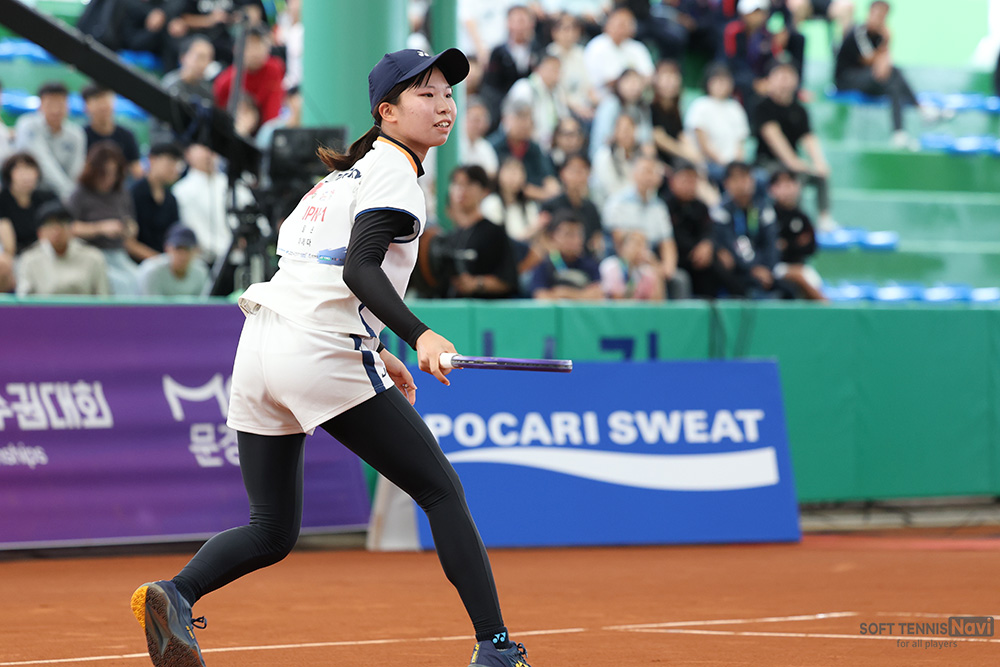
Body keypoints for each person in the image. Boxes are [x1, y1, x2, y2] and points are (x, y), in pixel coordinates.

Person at [129, 47, 535, 667]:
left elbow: (322, 272)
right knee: (441, 491)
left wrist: (378, 346)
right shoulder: (395, 172)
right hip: (319, 347)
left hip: (261, 344)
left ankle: (176, 593)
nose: (445, 105)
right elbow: (358, 270)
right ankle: (497, 647)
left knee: (271, 528)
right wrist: (419, 335)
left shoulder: (343, 177)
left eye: (448, 93)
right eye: (426, 93)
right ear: (387, 111)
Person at [834, 0, 933, 148]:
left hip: (867, 79)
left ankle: (900, 132)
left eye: (882, 16)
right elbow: (872, 64)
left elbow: (884, 68)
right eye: (876, 14)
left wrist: (885, 44)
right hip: (846, 80)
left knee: (894, 82)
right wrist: (887, 42)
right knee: (893, 76)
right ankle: (920, 110)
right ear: (869, 13)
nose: (878, 19)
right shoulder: (858, 32)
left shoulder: (879, 36)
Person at [754, 61, 836, 231]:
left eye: (788, 76)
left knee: (820, 174)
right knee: (791, 178)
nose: (784, 81)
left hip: (792, 163)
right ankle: (786, 222)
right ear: (770, 79)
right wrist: (794, 162)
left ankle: (824, 218)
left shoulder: (799, 110)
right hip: (767, 163)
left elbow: (809, 138)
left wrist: (819, 162)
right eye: (780, 76)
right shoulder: (763, 107)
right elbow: (774, 137)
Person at [602, 154, 690, 299]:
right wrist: (647, 262)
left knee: (679, 278)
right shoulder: (618, 203)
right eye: (645, 171)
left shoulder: (659, 206)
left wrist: (667, 268)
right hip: (624, 260)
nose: (649, 177)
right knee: (648, 274)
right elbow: (620, 243)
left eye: (653, 172)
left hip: (650, 261)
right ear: (634, 173)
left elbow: (667, 243)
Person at [65, 141, 140, 296]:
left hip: (118, 253)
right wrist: (100, 228)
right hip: (90, 255)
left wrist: (128, 228)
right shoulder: (80, 194)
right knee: (121, 284)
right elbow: (68, 227)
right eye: (104, 173)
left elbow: (130, 223)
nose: (109, 179)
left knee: (140, 279)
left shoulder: (121, 193)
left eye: (114, 173)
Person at [711, 161, 791, 299]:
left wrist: (767, 268)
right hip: (740, 272)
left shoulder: (763, 209)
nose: (742, 184)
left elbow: (771, 242)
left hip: (766, 269)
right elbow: (732, 243)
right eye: (736, 179)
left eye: (746, 178)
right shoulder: (721, 212)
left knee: (790, 288)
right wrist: (753, 268)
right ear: (726, 183)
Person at [439, 165, 519, 298]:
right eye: (456, 184)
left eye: (468, 184)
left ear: (484, 191)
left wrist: (477, 283)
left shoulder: (494, 233)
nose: (461, 190)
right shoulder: (451, 236)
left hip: (486, 308)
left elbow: (509, 280)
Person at [666, 161, 739, 298]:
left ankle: (739, 299)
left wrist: (708, 244)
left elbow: (709, 230)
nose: (690, 185)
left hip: (703, 258)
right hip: (679, 258)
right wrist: (697, 249)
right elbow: (671, 236)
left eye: (693, 181)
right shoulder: (665, 206)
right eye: (685, 180)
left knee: (724, 263)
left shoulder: (700, 206)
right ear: (673, 181)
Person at [723, 0, 805, 112]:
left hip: (762, 78)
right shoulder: (733, 32)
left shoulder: (768, 34)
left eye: (760, 12)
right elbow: (732, 63)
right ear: (743, 14)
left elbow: (774, 60)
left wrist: (769, 81)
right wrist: (754, 82)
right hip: (738, 75)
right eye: (753, 12)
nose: (757, 16)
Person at [15, 200, 110, 296]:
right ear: (40, 232)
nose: (57, 230)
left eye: (62, 223)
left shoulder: (93, 257)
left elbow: (103, 297)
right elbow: (24, 299)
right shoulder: (29, 260)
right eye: (50, 224)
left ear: (72, 229)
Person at [13, 81, 86, 200]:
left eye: (60, 104)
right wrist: (69, 193)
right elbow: (43, 161)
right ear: (40, 106)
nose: (55, 110)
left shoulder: (76, 133)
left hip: (65, 194)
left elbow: (76, 170)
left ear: (67, 106)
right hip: (31, 193)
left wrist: (72, 194)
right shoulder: (28, 125)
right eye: (50, 104)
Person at [684, 63, 750, 185]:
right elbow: (704, 144)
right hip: (710, 163)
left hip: (733, 165)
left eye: (725, 81)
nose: (721, 85)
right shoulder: (700, 105)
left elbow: (740, 143)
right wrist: (725, 164)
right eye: (717, 81)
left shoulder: (735, 108)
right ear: (708, 83)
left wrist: (737, 166)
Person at [479, 5, 544, 126]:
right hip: (504, 111)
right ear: (508, 23)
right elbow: (491, 87)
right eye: (516, 21)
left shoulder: (538, 50)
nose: (520, 27)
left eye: (523, 21)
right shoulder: (498, 53)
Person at [768, 168, 826, 301]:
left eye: (790, 184)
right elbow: (772, 246)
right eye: (781, 185)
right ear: (772, 189)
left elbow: (811, 247)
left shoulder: (802, 217)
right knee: (801, 277)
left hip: (800, 266)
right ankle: (830, 309)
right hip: (775, 267)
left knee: (810, 279)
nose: (786, 190)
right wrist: (795, 243)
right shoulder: (768, 215)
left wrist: (787, 244)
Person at [487, 98, 560, 201]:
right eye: (519, 117)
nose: (524, 123)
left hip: (534, 204)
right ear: (505, 119)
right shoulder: (492, 146)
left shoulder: (535, 148)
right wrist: (530, 191)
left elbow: (551, 182)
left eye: (528, 118)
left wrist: (543, 192)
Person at [213, 23, 285, 125]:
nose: (256, 52)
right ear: (236, 49)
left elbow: (273, 112)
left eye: (260, 45)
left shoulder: (275, 68)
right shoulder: (225, 82)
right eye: (250, 46)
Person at [539, 152, 605, 258]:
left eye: (582, 170)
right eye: (573, 171)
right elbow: (543, 239)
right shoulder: (550, 205)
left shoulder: (591, 208)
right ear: (562, 173)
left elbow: (596, 239)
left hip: (584, 261)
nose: (578, 176)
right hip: (557, 261)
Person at [530, 211, 603, 300]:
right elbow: (541, 296)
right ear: (553, 237)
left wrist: (563, 293)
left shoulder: (591, 264)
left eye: (579, 234)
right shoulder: (544, 265)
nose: (576, 240)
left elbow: (597, 295)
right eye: (569, 234)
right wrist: (582, 295)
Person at [582, 7, 655, 96]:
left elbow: (648, 75)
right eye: (620, 24)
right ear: (608, 24)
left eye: (627, 24)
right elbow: (592, 80)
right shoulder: (596, 46)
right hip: (604, 97)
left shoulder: (637, 48)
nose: (623, 28)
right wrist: (620, 83)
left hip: (635, 97)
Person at [130, 142, 183, 256]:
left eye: (177, 165)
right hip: (139, 260)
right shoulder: (134, 194)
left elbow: (174, 235)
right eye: (170, 163)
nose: (174, 169)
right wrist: (157, 260)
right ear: (152, 159)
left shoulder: (171, 199)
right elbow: (129, 243)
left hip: (166, 259)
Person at [81, 83, 143, 181]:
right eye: (97, 99)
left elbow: (137, 170)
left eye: (106, 98)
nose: (103, 105)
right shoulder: (80, 136)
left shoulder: (127, 136)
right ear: (86, 106)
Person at [504, 54, 569, 148]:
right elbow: (513, 121)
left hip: (550, 144)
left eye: (558, 70)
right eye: (552, 69)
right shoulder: (524, 88)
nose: (556, 74)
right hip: (527, 143)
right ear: (538, 68)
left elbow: (563, 119)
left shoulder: (556, 92)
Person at [589, 68, 654, 161]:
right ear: (619, 84)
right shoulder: (610, 104)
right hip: (609, 153)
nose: (633, 86)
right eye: (629, 82)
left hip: (635, 154)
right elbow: (603, 137)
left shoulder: (643, 107)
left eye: (636, 82)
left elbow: (647, 136)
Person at [0, 152, 58, 256]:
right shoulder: (2, 200)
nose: (26, 176)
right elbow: (9, 247)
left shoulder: (47, 197)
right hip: (17, 255)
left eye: (30, 169)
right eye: (20, 171)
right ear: (9, 174)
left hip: (47, 252)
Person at [546, 12, 598, 120]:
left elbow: (589, 85)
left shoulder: (581, 53)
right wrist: (577, 108)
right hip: (562, 107)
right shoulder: (550, 55)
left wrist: (596, 102)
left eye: (574, 29)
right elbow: (555, 90)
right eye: (566, 29)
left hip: (584, 104)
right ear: (554, 32)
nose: (570, 33)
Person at [481, 156, 543, 244]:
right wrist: (531, 231)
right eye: (510, 171)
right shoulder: (491, 203)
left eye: (518, 172)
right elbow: (498, 241)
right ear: (499, 174)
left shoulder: (529, 205)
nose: (514, 176)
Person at [137, 223, 211, 297]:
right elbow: (151, 304)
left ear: (196, 251)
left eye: (187, 249)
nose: (183, 255)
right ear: (167, 248)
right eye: (178, 248)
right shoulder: (152, 271)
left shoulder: (201, 272)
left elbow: (203, 302)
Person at [599, 228, 664, 300]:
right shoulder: (610, 266)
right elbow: (618, 299)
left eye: (643, 245)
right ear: (622, 247)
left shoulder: (646, 272)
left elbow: (657, 301)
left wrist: (654, 266)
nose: (639, 249)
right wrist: (630, 266)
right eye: (636, 244)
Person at [459, 96, 500, 178]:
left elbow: (491, 175)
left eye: (483, 120)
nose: (480, 125)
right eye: (476, 120)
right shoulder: (452, 145)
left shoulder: (486, 148)